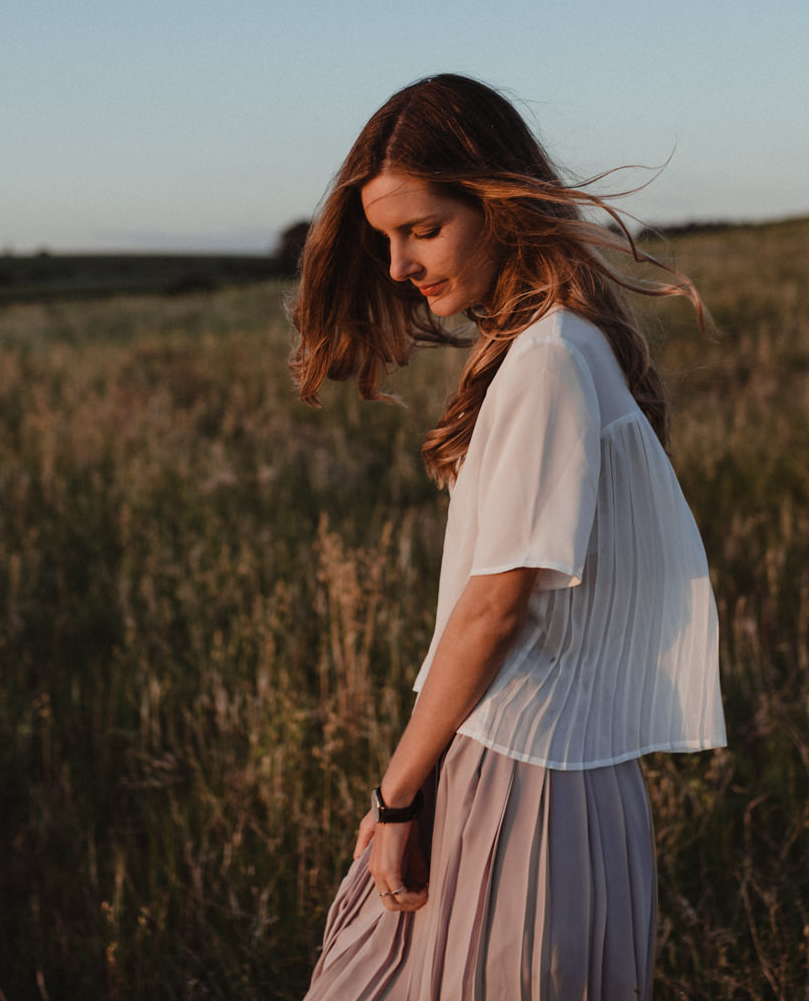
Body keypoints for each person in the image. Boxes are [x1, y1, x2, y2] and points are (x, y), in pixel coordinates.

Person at [290, 74, 726, 999]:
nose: (401, 265)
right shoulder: (558, 347)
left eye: (423, 229)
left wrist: (396, 794)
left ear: (497, 203)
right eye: (385, 239)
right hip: (566, 774)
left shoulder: (549, 359)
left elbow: (495, 607)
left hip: (519, 771)